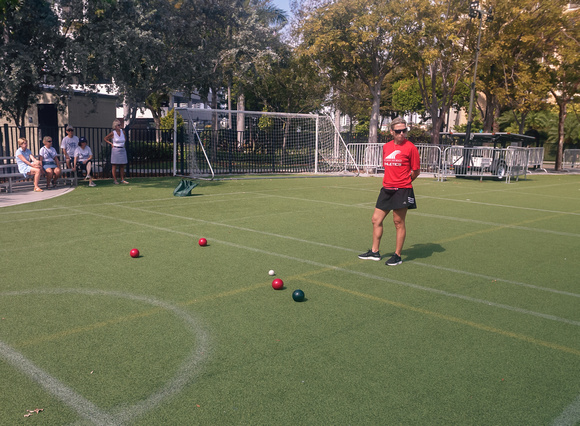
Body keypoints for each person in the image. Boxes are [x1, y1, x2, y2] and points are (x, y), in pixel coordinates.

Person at [358, 117, 421, 266]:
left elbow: (416, 171)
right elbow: (387, 167)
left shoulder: (411, 147)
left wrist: (405, 182)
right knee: (376, 220)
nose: (401, 134)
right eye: (398, 131)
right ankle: (374, 252)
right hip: (386, 188)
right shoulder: (386, 147)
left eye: (404, 131)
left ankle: (397, 255)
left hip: (402, 190)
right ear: (392, 132)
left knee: (398, 222)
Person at [104, 119, 129, 184]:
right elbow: (105, 138)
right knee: (114, 165)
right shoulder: (113, 133)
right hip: (115, 150)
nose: (120, 126)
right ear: (115, 126)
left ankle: (122, 179)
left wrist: (122, 144)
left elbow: (125, 138)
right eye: (118, 125)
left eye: (120, 124)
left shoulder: (123, 132)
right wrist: (111, 143)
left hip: (122, 149)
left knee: (122, 165)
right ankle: (115, 180)